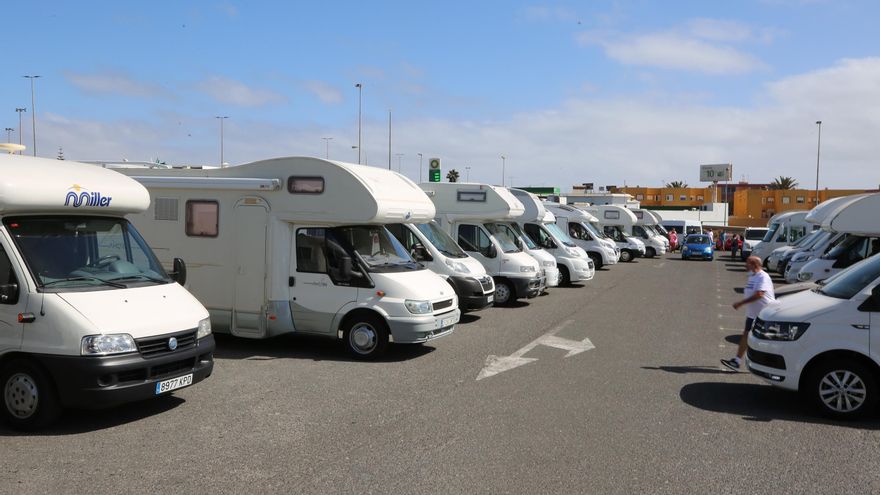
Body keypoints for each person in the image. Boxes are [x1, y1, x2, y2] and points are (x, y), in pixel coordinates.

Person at [721, 256, 776, 371]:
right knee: (746, 336)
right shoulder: (753, 276)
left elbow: (759, 294)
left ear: (754, 264)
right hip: (753, 315)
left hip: (765, 315)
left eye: (748, 263)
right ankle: (737, 361)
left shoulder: (763, 276)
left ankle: (771, 365)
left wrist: (741, 303)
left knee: (766, 341)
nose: (746, 265)